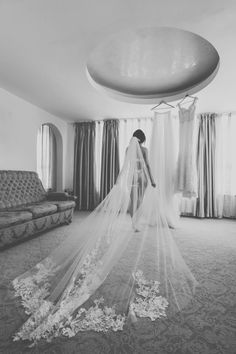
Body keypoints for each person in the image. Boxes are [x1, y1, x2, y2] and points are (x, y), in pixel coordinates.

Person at [12, 133, 198, 345]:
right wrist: (153, 181)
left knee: (132, 200)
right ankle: (137, 221)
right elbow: (146, 166)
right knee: (138, 200)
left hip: (131, 179)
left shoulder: (129, 149)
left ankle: (134, 221)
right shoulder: (143, 150)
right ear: (143, 140)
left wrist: (120, 181)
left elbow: (125, 167)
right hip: (142, 179)